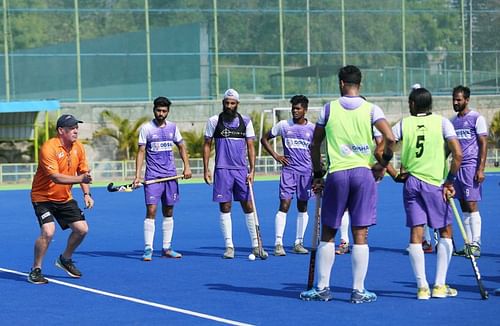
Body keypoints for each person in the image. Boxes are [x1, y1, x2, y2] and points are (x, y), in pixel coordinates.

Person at [300, 65, 395, 303]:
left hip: (338, 174)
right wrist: (382, 164)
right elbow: (391, 138)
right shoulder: (372, 109)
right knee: (360, 233)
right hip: (364, 174)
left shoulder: (328, 109)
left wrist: (317, 174)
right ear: (359, 85)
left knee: (329, 233)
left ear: (341, 83)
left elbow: (315, 144)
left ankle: (322, 288)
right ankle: (358, 291)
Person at [386, 87, 462, 299]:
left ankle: (422, 287)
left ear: (412, 104)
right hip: (434, 184)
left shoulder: (404, 123)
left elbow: (385, 144)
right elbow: (458, 154)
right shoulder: (442, 122)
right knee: (446, 232)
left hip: (411, 184)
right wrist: (450, 181)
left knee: (416, 234)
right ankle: (439, 285)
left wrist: (392, 172)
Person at [28, 114, 94, 284]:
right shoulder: (48, 148)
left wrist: (87, 193)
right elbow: (56, 177)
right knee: (48, 231)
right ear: (61, 131)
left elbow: (83, 172)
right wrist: (81, 180)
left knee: (82, 229)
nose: (76, 131)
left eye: (76, 127)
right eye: (72, 128)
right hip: (42, 197)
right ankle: (36, 269)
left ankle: (65, 259)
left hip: (64, 197)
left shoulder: (78, 147)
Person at [203, 88, 268, 259]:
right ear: (223, 103)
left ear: (237, 104)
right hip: (222, 170)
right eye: (227, 103)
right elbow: (207, 144)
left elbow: (251, 147)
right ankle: (229, 246)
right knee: (225, 207)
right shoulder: (214, 121)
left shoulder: (245, 121)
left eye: (232, 103)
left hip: (241, 171)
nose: (229, 106)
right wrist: (206, 168)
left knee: (248, 206)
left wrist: (252, 170)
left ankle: (256, 245)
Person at [133, 96, 192, 261]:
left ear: (168, 112)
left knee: (169, 211)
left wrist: (186, 167)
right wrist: (137, 175)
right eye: (158, 110)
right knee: (151, 211)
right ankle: (148, 248)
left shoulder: (173, 127)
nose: (161, 113)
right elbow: (141, 152)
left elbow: (181, 146)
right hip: (153, 176)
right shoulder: (146, 129)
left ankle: (167, 247)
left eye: (164, 111)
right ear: (154, 110)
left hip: (171, 176)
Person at [260, 94, 315, 256]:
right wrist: (276, 156)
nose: (295, 111)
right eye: (293, 109)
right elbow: (264, 139)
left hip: (306, 173)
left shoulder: (312, 128)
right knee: (284, 205)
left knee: (303, 207)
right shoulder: (283, 125)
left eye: (298, 109)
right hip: (289, 172)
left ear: (305, 110)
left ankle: (298, 242)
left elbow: (315, 149)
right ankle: (278, 243)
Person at [450, 85, 488, 258]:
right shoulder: (453, 121)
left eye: (459, 99)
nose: (455, 102)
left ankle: (476, 243)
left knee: (472, 204)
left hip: (471, 167)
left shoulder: (476, 118)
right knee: (463, 204)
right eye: (454, 99)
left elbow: (483, 144)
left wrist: (480, 168)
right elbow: (449, 146)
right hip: (457, 168)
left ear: (467, 100)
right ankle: (468, 243)